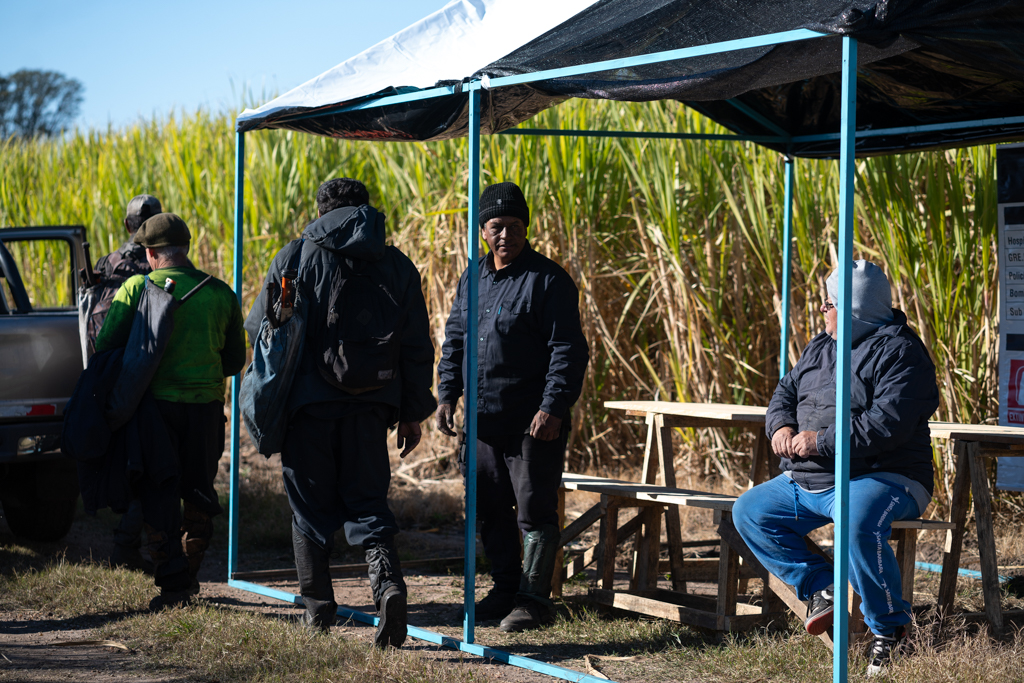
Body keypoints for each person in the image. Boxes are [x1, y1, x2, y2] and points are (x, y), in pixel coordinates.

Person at [244, 178, 436, 648]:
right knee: (368, 502)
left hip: (308, 409)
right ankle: (387, 586)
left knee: (308, 509)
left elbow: (260, 333)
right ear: (365, 209)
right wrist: (411, 412)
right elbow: (416, 346)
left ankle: (318, 610)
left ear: (322, 209)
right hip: (373, 407)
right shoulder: (396, 265)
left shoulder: (294, 257)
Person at [732, 260, 939, 677]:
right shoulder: (819, 347)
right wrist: (782, 425)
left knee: (854, 518)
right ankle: (822, 586)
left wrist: (819, 441)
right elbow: (783, 393)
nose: (821, 311)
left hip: (886, 475)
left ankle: (890, 631)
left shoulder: (902, 352)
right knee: (749, 511)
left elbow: (886, 426)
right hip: (811, 478)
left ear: (854, 309)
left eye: (828, 303)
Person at [436, 181, 590, 632]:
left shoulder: (549, 280)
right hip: (482, 421)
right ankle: (505, 588)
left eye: (516, 226)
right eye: (497, 226)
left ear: (527, 227)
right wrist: (447, 394)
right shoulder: (473, 277)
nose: (507, 235)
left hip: (532, 424)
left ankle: (533, 600)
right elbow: (455, 339)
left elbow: (568, 350)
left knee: (534, 511)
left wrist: (553, 408)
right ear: (483, 230)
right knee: (488, 509)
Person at [95, 213, 246, 609]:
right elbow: (234, 361)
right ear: (186, 248)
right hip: (206, 412)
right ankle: (191, 574)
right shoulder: (221, 293)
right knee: (197, 492)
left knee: (158, 493)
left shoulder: (134, 289)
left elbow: (106, 346)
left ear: (149, 253)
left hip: (153, 413)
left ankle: (174, 586)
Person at [87, 194, 162, 573]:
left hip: (107, 373)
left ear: (128, 226)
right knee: (149, 463)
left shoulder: (107, 262)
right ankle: (130, 543)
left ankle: (125, 538)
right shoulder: (160, 266)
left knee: (124, 457)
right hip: (147, 375)